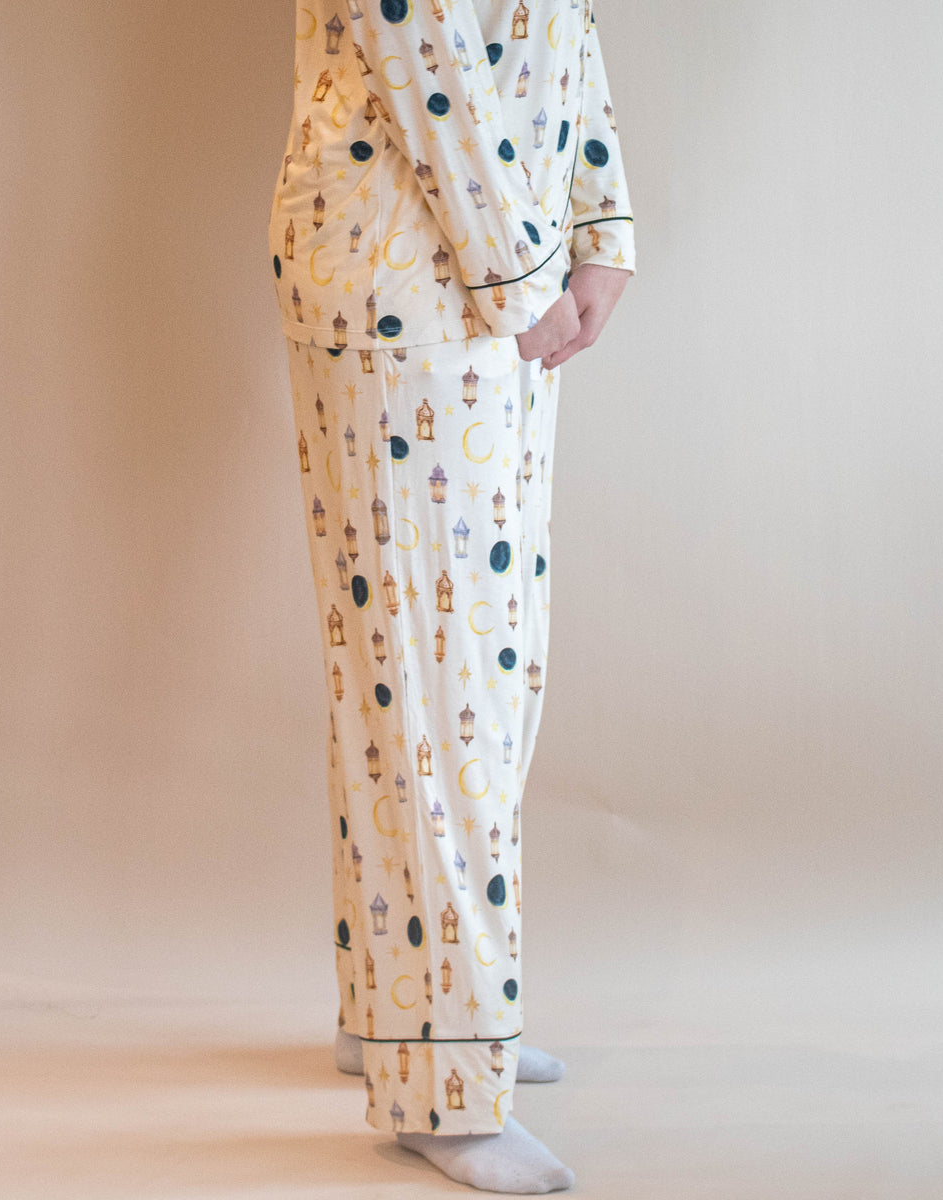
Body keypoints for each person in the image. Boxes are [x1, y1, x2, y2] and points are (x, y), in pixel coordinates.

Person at [268, 0, 634, 1191]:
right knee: (432, 687)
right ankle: (437, 1072)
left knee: (483, 672)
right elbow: (414, 32)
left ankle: (410, 1010)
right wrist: (533, 268)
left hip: (491, 291)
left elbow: (558, 21)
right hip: (403, 283)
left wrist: (600, 226)